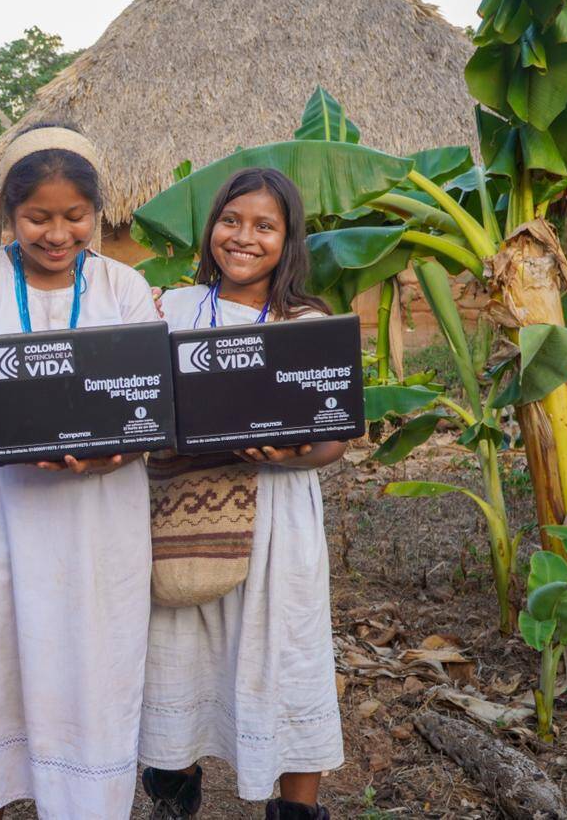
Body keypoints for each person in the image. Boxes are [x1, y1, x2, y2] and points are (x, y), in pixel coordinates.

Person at [0, 124, 157, 820]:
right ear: (9, 216)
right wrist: (20, 427)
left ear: (98, 214)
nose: (57, 233)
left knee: (91, 659)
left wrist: (118, 448)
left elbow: (147, 410)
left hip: (96, 515)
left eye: (74, 216)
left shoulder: (125, 287)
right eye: (38, 218)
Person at [138, 168, 346, 820]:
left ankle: (296, 811)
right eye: (232, 221)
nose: (243, 237)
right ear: (211, 228)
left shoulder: (307, 322)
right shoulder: (167, 309)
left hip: (276, 523)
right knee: (177, 660)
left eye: (264, 226)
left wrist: (291, 451)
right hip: (177, 518)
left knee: (284, 658)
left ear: (288, 240)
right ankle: (174, 799)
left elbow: (333, 439)